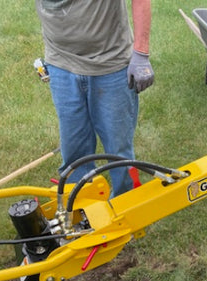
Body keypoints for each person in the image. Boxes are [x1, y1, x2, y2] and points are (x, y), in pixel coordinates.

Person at [36, 0, 154, 197]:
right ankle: (78, 206)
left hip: (110, 63)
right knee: (74, 148)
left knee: (118, 152)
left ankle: (125, 207)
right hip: (60, 63)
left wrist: (141, 53)